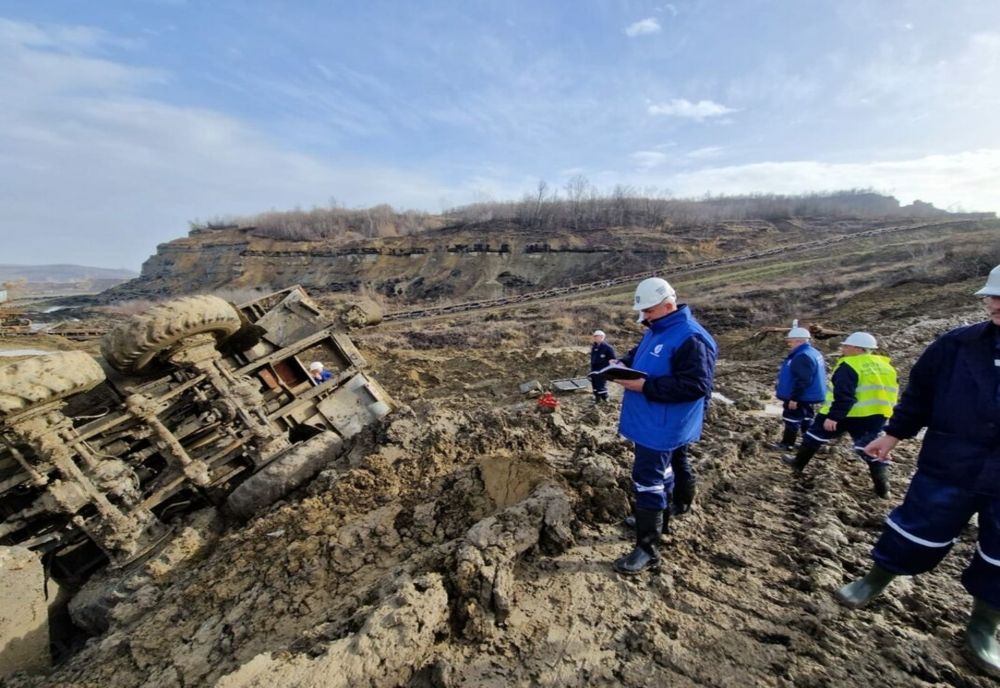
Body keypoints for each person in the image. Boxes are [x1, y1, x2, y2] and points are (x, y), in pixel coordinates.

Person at [835, 265, 1000, 677]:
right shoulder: (957, 345)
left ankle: (984, 626)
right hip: (950, 462)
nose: (992, 303)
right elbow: (920, 393)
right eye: (991, 296)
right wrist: (893, 434)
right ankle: (875, 579)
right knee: (916, 526)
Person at [610, 277, 717, 575]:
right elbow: (642, 353)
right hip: (652, 421)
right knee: (664, 472)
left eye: (649, 312)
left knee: (647, 479)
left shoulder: (691, 338)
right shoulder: (660, 329)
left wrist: (644, 385)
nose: (644, 318)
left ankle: (648, 549)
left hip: (663, 425)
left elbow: (695, 385)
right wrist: (622, 362)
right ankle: (663, 519)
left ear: (668, 306)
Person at [780, 332, 898, 498]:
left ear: (857, 348)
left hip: (846, 413)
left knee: (813, 436)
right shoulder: (885, 366)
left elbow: (844, 395)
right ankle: (883, 489)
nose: (843, 348)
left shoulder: (849, 366)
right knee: (871, 449)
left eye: (846, 346)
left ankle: (798, 465)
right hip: (876, 415)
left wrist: (834, 416)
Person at [771, 320, 827, 451]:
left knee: (792, 419)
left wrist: (794, 398)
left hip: (801, 396)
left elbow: (803, 380)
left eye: (790, 341)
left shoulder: (802, 356)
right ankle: (809, 443)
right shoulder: (813, 352)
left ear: (800, 341)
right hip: (810, 395)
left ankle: (787, 443)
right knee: (807, 418)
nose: (788, 344)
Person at [589, 329, 616, 403]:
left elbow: (612, 359)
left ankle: (605, 398)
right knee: (594, 384)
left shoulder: (607, 348)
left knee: (601, 384)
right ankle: (597, 398)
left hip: (602, 369)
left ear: (601, 337)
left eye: (596, 336)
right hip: (594, 369)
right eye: (594, 336)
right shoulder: (594, 347)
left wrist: (610, 370)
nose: (594, 338)